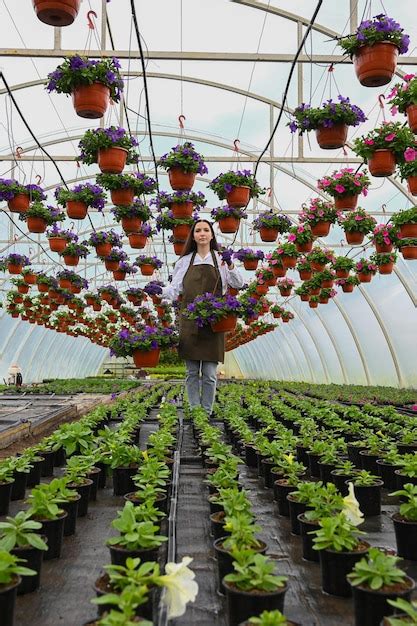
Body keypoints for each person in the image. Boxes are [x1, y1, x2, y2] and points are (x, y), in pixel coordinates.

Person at [161, 219, 244, 414]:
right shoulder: (184, 261)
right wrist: (160, 291)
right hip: (190, 321)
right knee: (191, 372)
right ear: (194, 236)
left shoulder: (221, 260)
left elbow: (238, 283)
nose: (202, 233)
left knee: (209, 374)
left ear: (212, 235)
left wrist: (231, 263)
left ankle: (206, 412)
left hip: (214, 322)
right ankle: (194, 409)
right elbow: (175, 290)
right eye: (198, 230)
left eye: (206, 230)